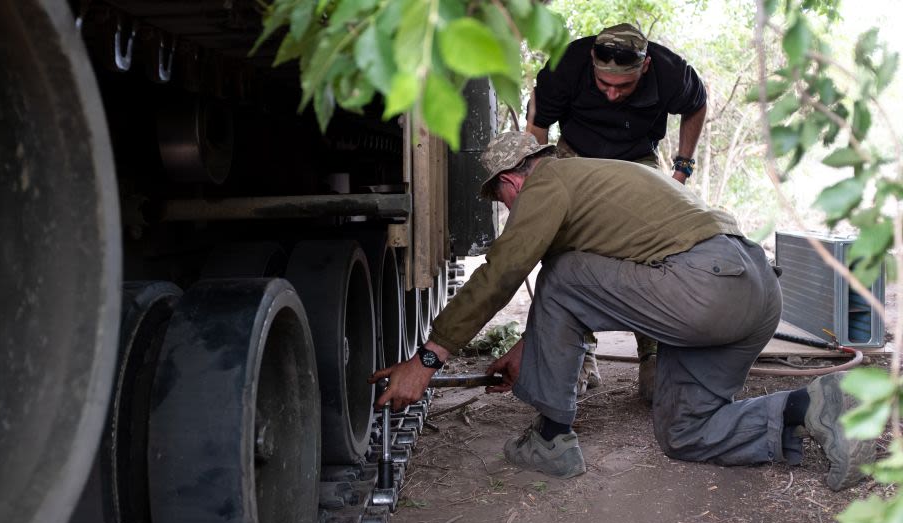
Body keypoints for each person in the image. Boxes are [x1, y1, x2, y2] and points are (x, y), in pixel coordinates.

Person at [369, 131, 875, 490]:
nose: (507, 210)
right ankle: (812, 407)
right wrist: (534, 346)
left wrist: (428, 358)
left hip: (704, 288)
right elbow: (602, 288)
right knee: (684, 433)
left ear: (512, 181)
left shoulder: (550, 181)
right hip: (754, 292)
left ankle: (550, 438)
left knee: (560, 271)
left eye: (501, 200)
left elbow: (502, 272)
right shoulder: (606, 182)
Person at [526, 23, 709, 400]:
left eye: (622, 87)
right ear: (592, 61)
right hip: (575, 155)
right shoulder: (566, 66)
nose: (611, 95)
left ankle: (654, 355)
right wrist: (543, 185)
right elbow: (538, 126)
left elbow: (697, 104)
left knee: (652, 253)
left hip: (637, 160)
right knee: (566, 252)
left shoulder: (670, 71)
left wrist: (682, 169)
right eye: (603, 83)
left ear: (644, 68)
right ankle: (579, 356)